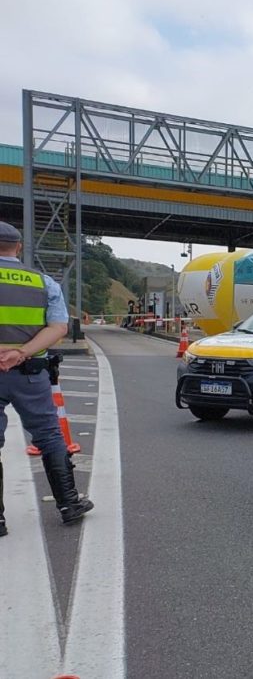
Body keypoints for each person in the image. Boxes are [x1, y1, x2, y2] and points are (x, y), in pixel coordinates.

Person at [0, 221, 94, 537]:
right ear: (19, 247)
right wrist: (21, 352)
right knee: (49, 435)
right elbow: (58, 327)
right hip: (29, 372)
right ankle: (69, 504)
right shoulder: (42, 283)